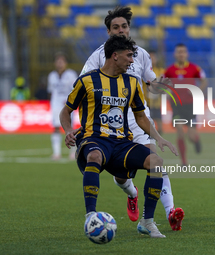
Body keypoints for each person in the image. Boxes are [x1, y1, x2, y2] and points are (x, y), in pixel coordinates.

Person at [60, 35, 178, 238]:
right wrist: (68, 130)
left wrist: (159, 138)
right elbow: (65, 111)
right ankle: (91, 216)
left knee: (156, 163)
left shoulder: (132, 83)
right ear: (115, 56)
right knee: (95, 156)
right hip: (94, 139)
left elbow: (140, 117)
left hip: (121, 142)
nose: (132, 61)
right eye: (129, 56)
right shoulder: (87, 80)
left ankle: (147, 222)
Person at [80, 6, 185, 231]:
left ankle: (169, 212)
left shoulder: (141, 54)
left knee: (154, 161)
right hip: (111, 123)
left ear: (129, 28)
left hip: (139, 118)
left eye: (124, 26)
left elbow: (151, 83)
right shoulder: (99, 56)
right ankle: (132, 192)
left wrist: (161, 87)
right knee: (120, 176)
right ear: (108, 32)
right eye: (115, 27)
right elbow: (83, 84)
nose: (121, 30)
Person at [164, 43, 208, 166]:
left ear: (187, 54)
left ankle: (196, 140)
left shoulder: (194, 68)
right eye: (179, 51)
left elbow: (204, 81)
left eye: (183, 51)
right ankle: (184, 161)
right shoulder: (169, 70)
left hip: (191, 106)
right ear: (175, 54)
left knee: (191, 136)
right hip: (176, 106)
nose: (181, 54)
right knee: (179, 131)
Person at [47, 52, 78, 160]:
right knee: (56, 127)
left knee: (70, 128)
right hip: (55, 104)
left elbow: (76, 89)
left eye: (62, 61)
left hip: (68, 105)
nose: (60, 64)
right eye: (58, 62)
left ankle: (72, 153)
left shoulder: (71, 75)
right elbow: (51, 91)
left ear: (65, 63)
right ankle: (56, 153)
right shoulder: (52, 76)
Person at [145, 50, 165, 134]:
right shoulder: (143, 72)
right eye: (150, 58)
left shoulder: (161, 71)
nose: (152, 59)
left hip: (157, 103)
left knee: (160, 129)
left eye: (153, 57)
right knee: (146, 128)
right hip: (146, 103)